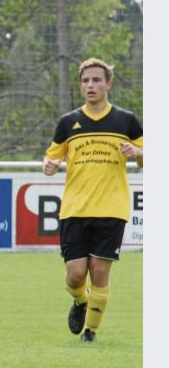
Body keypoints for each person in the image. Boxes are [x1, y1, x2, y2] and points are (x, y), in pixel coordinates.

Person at [42, 57, 143, 343]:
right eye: (86, 80)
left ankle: (91, 332)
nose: (91, 85)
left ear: (108, 84)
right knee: (75, 275)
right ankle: (80, 302)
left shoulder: (126, 121)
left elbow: (146, 157)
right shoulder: (68, 122)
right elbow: (51, 157)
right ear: (80, 85)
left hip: (112, 208)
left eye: (97, 80)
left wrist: (137, 154)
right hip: (75, 208)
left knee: (99, 271)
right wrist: (47, 166)